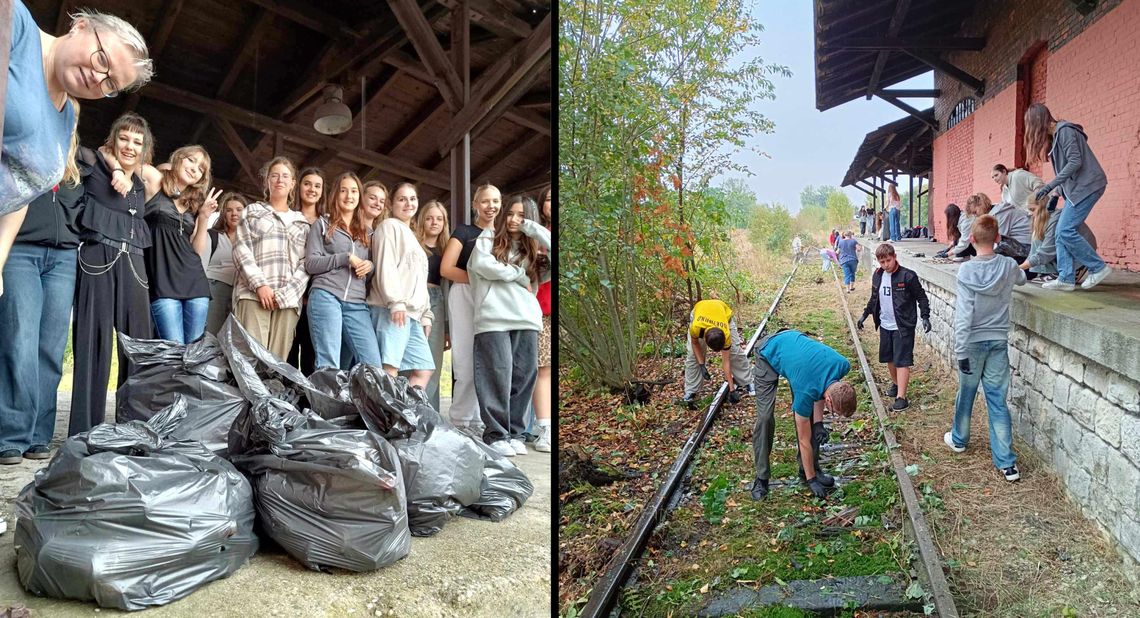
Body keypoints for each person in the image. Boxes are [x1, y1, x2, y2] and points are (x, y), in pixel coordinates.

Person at [1, 4, 153, 297]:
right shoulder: (13, 20)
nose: (99, 78)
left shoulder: (67, 117)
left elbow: (20, 191)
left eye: (110, 83)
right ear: (80, 26)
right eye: (102, 59)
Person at [0, 154, 85, 463]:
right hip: (20, 250)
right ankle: (11, 435)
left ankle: (39, 435)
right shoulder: (23, 152)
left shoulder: (79, 167)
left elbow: (130, 163)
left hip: (63, 259)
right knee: (19, 342)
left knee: (50, 348)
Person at [468, 191, 551, 457]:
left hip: (526, 318)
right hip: (493, 318)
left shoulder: (533, 250)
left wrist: (532, 228)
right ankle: (496, 434)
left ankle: (516, 433)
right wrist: (518, 274)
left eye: (522, 215)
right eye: (511, 214)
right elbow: (483, 265)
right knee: (497, 375)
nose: (514, 219)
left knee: (524, 376)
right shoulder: (488, 238)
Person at [944, 214, 1025, 482]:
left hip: (972, 342)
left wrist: (960, 351)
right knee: (997, 401)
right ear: (998, 238)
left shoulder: (966, 271)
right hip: (998, 341)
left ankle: (959, 440)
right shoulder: (1008, 266)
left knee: (966, 393)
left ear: (970, 240)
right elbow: (1022, 279)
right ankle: (1007, 464)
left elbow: (964, 314)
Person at [749, 329, 858, 500]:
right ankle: (761, 478)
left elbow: (823, 386)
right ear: (829, 401)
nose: (834, 416)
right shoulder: (806, 391)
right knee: (765, 418)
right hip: (768, 352)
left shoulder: (842, 365)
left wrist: (819, 423)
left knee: (814, 421)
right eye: (834, 412)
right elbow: (803, 439)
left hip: (797, 351)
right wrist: (812, 481)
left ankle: (808, 467)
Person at [129, 146, 221, 343]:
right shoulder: (156, 181)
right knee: (172, 352)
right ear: (178, 158)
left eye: (201, 169)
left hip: (194, 282)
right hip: (162, 281)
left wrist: (204, 217)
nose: (195, 168)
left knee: (194, 353)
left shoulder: (194, 204)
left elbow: (196, 249)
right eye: (191, 160)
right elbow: (127, 157)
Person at [232, 156, 311, 359]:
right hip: (253, 296)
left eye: (285, 176)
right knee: (249, 359)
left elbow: (306, 264)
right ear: (267, 181)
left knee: (277, 364)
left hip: (287, 301)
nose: (279, 180)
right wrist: (260, 285)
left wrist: (287, 294)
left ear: (293, 183)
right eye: (274, 175)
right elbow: (241, 250)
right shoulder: (252, 212)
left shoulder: (301, 222)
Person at [1026, 104, 1112, 291]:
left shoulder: (1065, 131)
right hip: (1079, 189)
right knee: (1060, 232)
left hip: (1088, 186)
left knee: (1065, 231)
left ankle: (1097, 267)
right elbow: (1069, 168)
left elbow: (1075, 161)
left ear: (1038, 122)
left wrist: (1051, 185)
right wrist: (1056, 193)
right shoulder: (1058, 136)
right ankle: (1065, 278)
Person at [441, 184, 500, 435]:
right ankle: (461, 417)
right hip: (465, 295)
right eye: (485, 201)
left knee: (490, 358)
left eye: (495, 201)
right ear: (475, 204)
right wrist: (478, 279)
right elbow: (447, 268)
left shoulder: (505, 234)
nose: (491, 206)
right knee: (465, 357)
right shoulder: (464, 232)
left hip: (496, 299)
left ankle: (484, 417)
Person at [305, 172, 379, 370]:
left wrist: (370, 266)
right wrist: (344, 258)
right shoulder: (322, 224)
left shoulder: (369, 233)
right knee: (329, 364)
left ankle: (358, 402)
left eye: (354, 191)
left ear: (360, 196)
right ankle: (325, 402)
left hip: (357, 303)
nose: (349, 196)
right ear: (335, 195)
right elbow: (311, 264)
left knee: (373, 366)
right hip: (326, 295)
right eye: (343, 190)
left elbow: (370, 274)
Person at [367, 182, 434, 388]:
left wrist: (426, 314)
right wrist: (395, 302)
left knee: (424, 369)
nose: (408, 203)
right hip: (392, 308)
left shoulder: (413, 237)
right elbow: (386, 265)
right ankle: (384, 418)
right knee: (389, 369)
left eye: (412, 199)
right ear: (391, 204)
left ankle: (406, 414)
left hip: (412, 314)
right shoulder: (388, 227)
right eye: (402, 199)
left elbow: (418, 279)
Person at [857, 243, 931, 411]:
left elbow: (922, 297)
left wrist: (925, 316)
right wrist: (865, 314)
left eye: (888, 261)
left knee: (902, 360)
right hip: (885, 324)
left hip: (903, 326)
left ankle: (902, 398)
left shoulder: (908, 276)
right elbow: (874, 298)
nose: (886, 265)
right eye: (882, 262)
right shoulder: (877, 275)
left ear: (894, 257)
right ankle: (897, 384)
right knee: (889, 358)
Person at [412, 199, 451, 411]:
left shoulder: (447, 251)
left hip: (436, 300)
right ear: (422, 221)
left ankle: (429, 412)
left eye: (439, 218)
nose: (434, 222)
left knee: (432, 360)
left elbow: (448, 289)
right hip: (414, 299)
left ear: (444, 222)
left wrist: (447, 327)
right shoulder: (413, 244)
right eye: (429, 218)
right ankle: (409, 407)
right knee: (411, 357)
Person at [681, 298, 754, 408]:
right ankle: (691, 390)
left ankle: (747, 381)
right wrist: (701, 365)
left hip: (723, 312)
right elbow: (695, 344)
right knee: (693, 356)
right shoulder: (696, 328)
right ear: (705, 338)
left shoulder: (726, 334)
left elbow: (726, 361)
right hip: (699, 311)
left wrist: (732, 389)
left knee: (734, 352)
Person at [287, 167, 326, 374]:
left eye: (317, 186)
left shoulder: (327, 222)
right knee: (288, 354)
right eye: (307, 184)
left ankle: (310, 403)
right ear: (298, 186)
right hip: (290, 296)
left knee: (313, 356)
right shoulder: (288, 217)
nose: (312, 189)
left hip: (316, 297)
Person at [1019, 193, 1097, 283]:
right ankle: (1052, 272)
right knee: (1037, 237)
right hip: (1072, 253)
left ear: (1043, 207)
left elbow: (1046, 252)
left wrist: (1018, 268)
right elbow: (1034, 250)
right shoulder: (1045, 220)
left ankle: (1074, 269)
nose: (1029, 214)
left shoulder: (1055, 219)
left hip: (1081, 255)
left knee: (1046, 244)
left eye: (1032, 209)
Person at [530, 186, 553, 452]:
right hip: (540, 307)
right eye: (548, 199)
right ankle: (543, 427)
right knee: (542, 368)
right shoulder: (534, 235)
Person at [204, 193, 247, 334]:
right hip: (216, 287)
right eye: (229, 210)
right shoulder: (213, 235)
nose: (234, 213)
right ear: (223, 214)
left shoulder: (252, 239)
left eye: (239, 209)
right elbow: (202, 264)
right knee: (212, 334)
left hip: (241, 292)